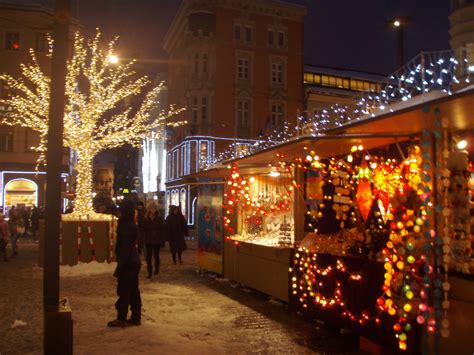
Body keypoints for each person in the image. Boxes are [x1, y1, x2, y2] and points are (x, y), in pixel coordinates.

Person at [108, 200, 142, 327]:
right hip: (133, 261)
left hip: (128, 262)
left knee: (124, 290)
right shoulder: (131, 224)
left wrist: (120, 267)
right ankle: (135, 317)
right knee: (133, 290)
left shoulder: (125, 226)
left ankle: (121, 318)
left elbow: (125, 249)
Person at [143, 202, 165, 278]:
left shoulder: (159, 218)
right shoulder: (146, 218)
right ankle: (149, 272)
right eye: (151, 209)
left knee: (156, 255)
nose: (153, 210)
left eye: (154, 209)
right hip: (148, 239)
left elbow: (162, 229)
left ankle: (156, 269)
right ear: (149, 209)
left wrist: (162, 240)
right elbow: (143, 229)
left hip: (156, 239)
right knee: (148, 257)